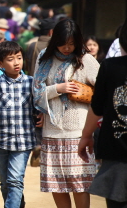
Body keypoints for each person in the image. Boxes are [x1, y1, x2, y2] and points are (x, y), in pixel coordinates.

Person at [33, 19, 99, 208]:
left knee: (80, 184)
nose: (67, 48)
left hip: (78, 132)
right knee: (56, 184)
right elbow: (36, 93)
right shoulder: (44, 57)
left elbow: (103, 88)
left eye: (72, 44)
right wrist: (58, 88)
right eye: (63, 44)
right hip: (51, 131)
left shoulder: (86, 59)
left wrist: (86, 92)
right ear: (55, 39)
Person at [78, 23, 127, 208]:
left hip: (116, 152)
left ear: (121, 42)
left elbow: (97, 108)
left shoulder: (109, 67)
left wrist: (86, 135)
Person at [0, 41, 40, 208]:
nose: (16, 62)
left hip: (23, 141)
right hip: (1, 140)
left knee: (15, 180)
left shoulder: (31, 83)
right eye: (10, 59)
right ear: (0, 64)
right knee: (5, 183)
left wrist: (40, 113)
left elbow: (38, 106)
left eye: (19, 58)